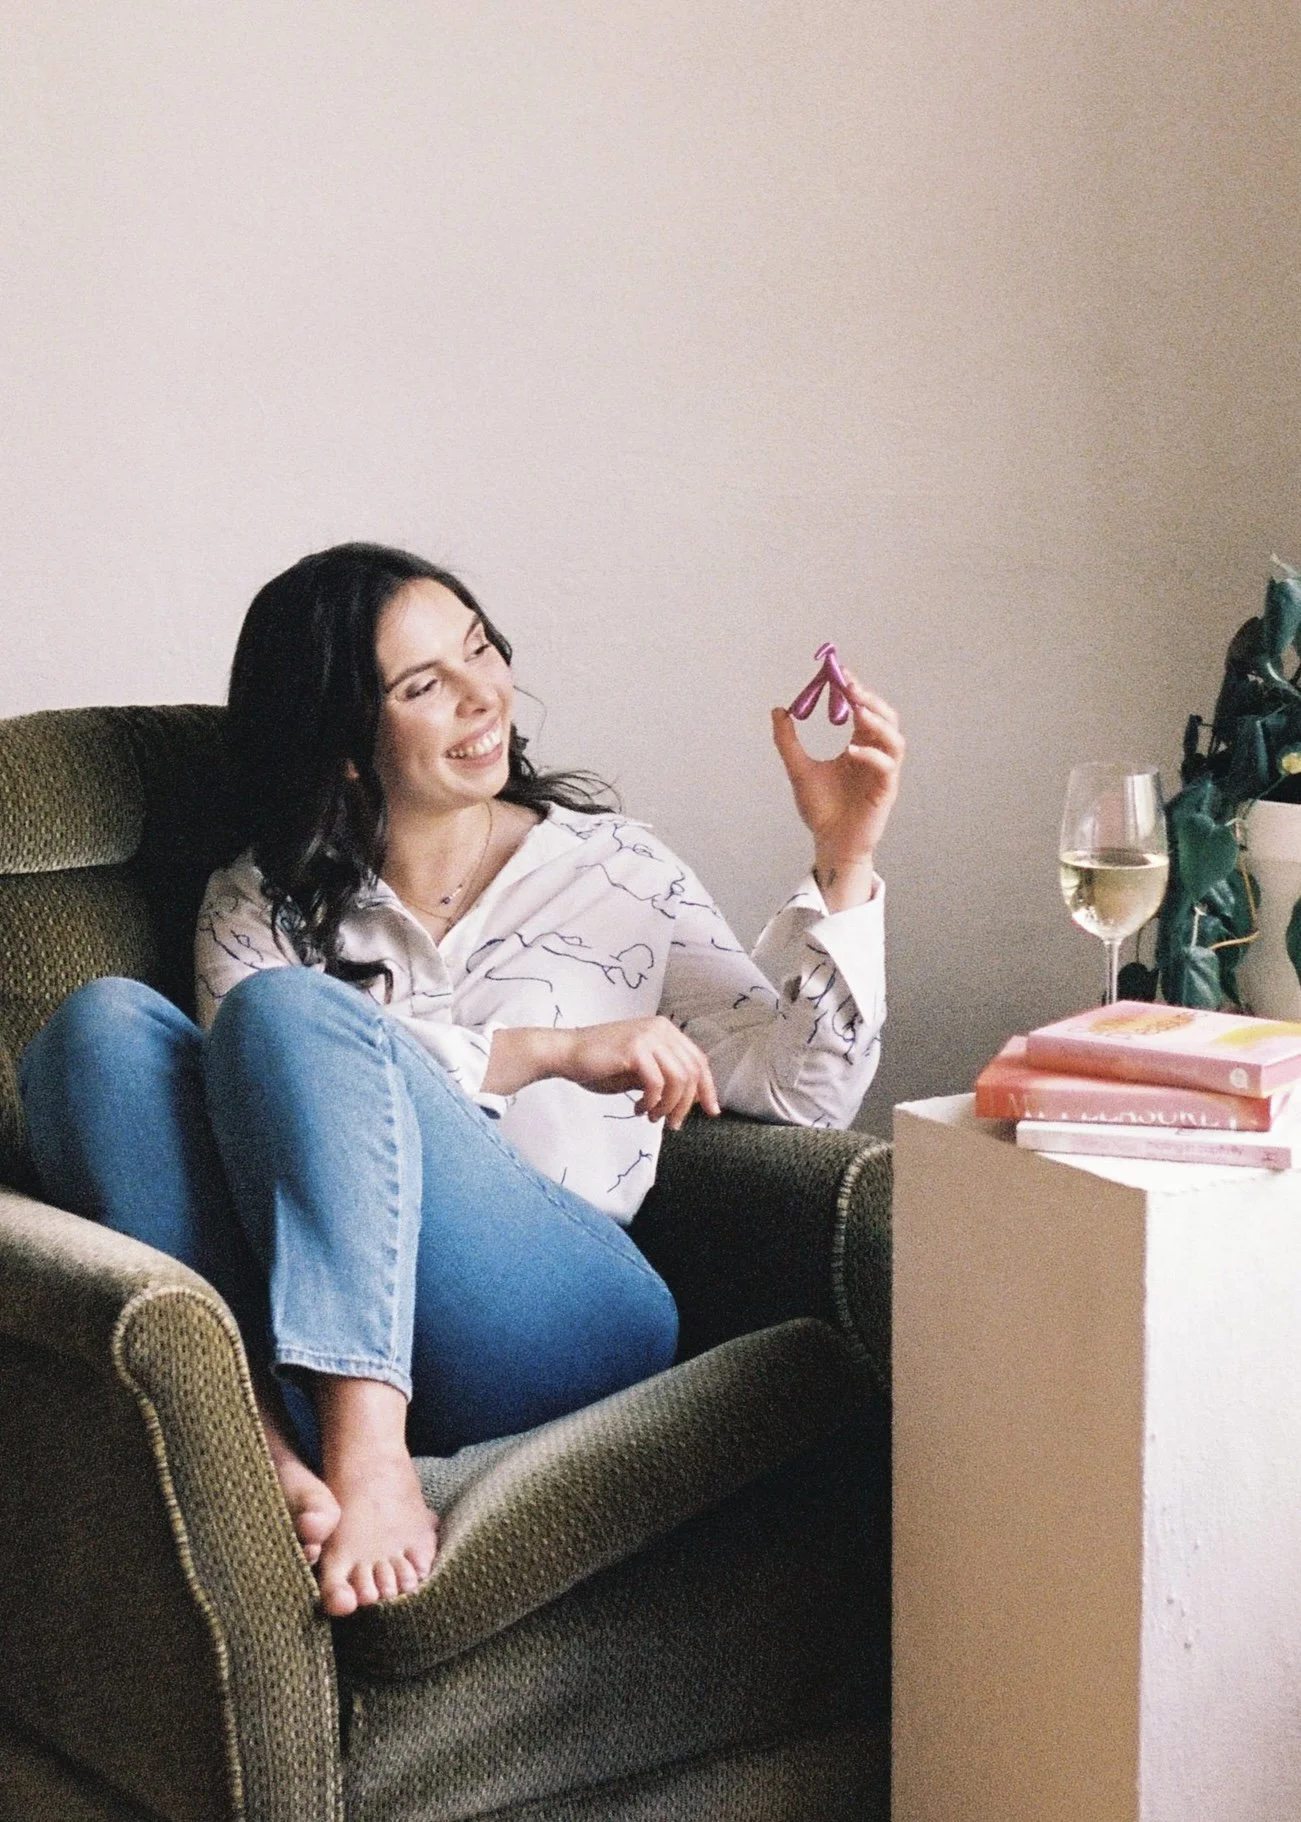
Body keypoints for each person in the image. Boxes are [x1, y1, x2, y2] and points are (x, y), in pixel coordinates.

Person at [18, 542, 904, 1618]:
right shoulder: (260, 903)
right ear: (343, 747)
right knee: (98, 1028)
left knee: (291, 1011)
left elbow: (801, 1093)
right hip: (310, 1320)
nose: (483, 694)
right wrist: (542, 1050)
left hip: (560, 1312)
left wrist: (842, 855)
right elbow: (250, 1107)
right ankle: (258, 1444)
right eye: (422, 685)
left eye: (478, 648)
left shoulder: (616, 869)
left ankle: (370, 1456)